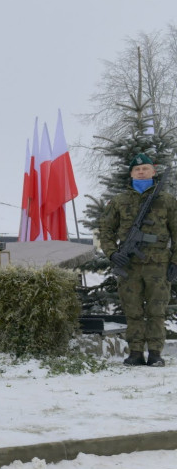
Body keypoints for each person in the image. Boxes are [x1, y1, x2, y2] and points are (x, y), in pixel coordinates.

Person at [99, 154, 177, 367]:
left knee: (156, 311)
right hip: (129, 266)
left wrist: (175, 262)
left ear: (153, 172)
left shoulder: (167, 200)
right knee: (132, 311)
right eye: (137, 169)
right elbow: (105, 230)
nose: (141, 172)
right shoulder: (119, 201)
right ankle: (135, 352)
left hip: (158, 266)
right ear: (131, 173)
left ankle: (154, 353)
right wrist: (113, 254)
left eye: (145, 168)